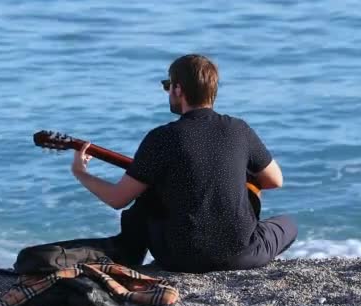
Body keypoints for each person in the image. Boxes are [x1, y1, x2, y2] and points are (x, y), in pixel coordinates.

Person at [20, 54, 297, 273]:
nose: (168, 92)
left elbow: (118, 199)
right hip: (241, 255)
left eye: (168, 86)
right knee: (288, 224)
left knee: (150, 199)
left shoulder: (161, 138)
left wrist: (80, 172)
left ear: (178, 88)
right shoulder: (239, 129)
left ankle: (132, 251)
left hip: (178, 260)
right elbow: (275, 180)